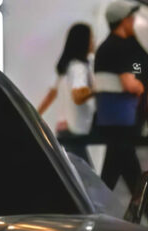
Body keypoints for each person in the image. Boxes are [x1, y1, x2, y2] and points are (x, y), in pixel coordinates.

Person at [94, 0, 148, 229]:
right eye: (130, 18)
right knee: (119, 171)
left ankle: (146, 214)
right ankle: (92, 211)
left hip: (116, 117)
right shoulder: (116, 47)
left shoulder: (110, 46)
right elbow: (130, 84)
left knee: (123, 171)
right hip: (118, 118)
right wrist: (139, 86)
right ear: (121, 21)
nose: (133, 22)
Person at [37, 23, 96, 165]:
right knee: (84, 173)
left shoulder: (65, 68)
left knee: (75, 170)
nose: (93, 42)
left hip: (64, 128)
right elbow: (78, 96)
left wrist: (35, 116)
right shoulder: (79, 68)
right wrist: (99, 89)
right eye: (91, 38)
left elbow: (51, 95)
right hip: (74, 130)